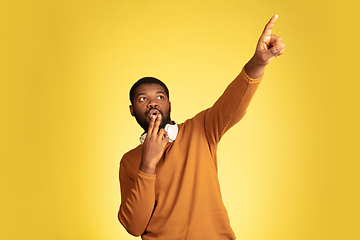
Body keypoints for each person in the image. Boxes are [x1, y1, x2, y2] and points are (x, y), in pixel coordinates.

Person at [118, 15, 285, 240]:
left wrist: (257, 63)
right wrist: (147, 163)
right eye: (142, 99)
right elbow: (135, 226)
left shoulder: (200, 130)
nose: (153, 102)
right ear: (132, 110)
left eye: (160, 96)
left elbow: (233, 103)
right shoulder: (130, 161)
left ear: (168, 104)